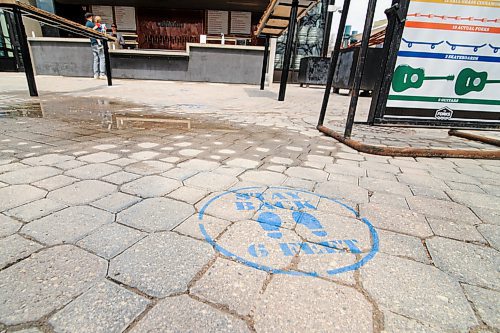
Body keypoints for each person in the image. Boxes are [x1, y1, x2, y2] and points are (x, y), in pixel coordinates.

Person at [84, 12, 106, 80]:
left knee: (96, 59)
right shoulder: (90, 24)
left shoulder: (87, 24)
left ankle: (96, 74)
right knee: (102, 57)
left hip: (93, 43)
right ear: (91, 17)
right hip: (97, 43)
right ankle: (102, 74)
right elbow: (97, 32)